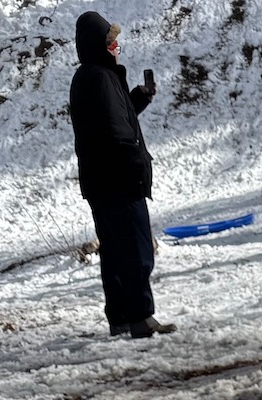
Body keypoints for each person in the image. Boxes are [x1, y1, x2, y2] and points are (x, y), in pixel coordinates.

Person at [68, 12, 172, 338]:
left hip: (101, 182)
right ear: (100, 46)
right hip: (119, 179)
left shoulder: (92, 77)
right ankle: (141, 317)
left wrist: (138, 99)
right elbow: (115, 132)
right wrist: (134, 166)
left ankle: (121, 318)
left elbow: (113, 118)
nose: (117, 47)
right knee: (136, 250)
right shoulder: (100, 78)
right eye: (112, 42)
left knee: (113, 253)